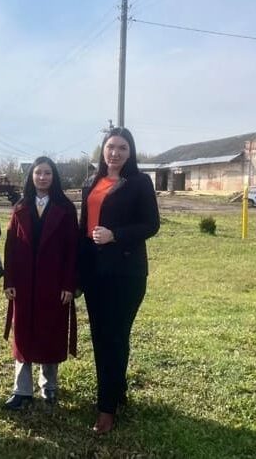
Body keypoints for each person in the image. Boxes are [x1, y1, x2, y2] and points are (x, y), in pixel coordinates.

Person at [79, 127, 160, 434]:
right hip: (94, 272)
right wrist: (77, 273)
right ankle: (116, 391)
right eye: (111, 146)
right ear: (103, 149)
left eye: (122, 148)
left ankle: (106, 409)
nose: (115, 153)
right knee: (102, 337)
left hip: (126, 273)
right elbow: (82, 229)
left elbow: (151, 224)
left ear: (130, 152)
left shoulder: (140, 182)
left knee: (115, 336)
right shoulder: (91, 182)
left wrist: (116, 235)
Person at [3, 156, 78, 410]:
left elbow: (72, 249)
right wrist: (9, 280)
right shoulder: (20, 207)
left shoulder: (65, 209)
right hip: (23, 283)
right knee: (23, 335)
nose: (42, 177)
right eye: (38, 173)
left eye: (47, 173)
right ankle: (21, 390)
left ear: (54, 177)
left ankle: (49, 386)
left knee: (50, 333)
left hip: (53, 283)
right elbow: (11, 246)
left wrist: (69, 284)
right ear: (31, 176)